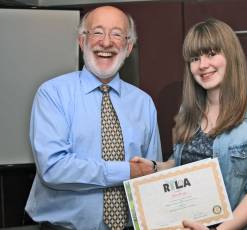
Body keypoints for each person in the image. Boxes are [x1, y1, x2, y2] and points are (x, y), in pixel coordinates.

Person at [132, 18, 247, 230]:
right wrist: (155, 167)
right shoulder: (188, 110)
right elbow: (183, 161)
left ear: (230, 55)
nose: (203, 65)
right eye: (195, 58)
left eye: (211, 54)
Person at [25, 6, 162, 230]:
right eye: (97, 32)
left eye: (117, 34)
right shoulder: (53, 94)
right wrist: (128, 170)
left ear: (128, 47)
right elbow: (54, 169)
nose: (106, 42)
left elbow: (151, 176)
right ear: (82, 41)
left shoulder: (143, 103)